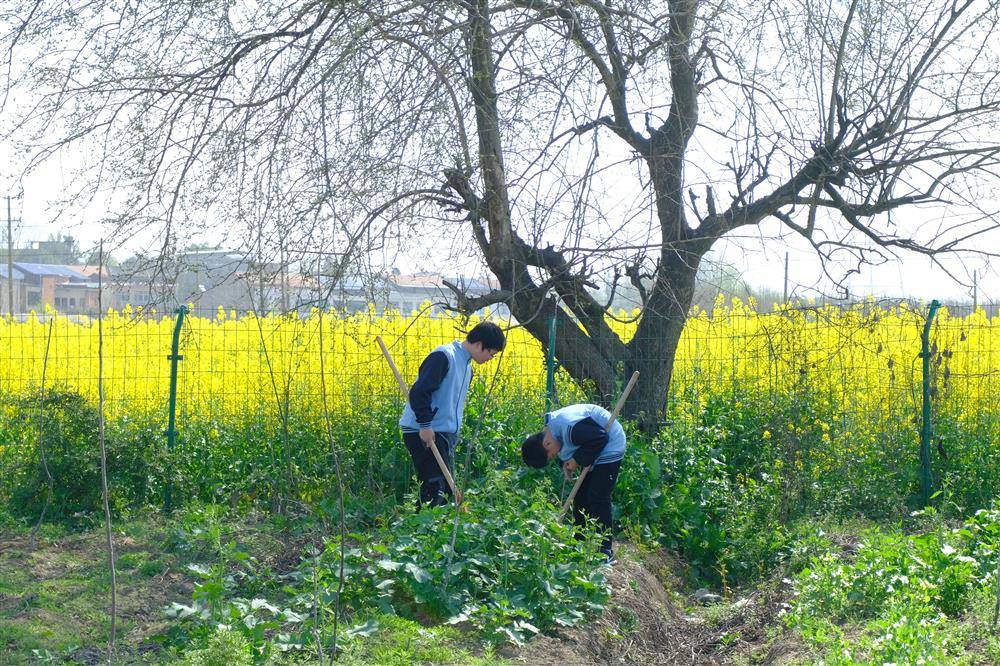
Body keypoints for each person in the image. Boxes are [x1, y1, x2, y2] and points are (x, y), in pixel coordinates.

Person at [399, 321, 505, 507]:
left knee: (445, 491)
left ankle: (430, 530)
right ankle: (422, 530)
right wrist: (425, 425)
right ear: (480, 344)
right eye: (491, 353)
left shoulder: (466, 366)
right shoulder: (444, 356)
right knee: (435, 489)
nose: (490, 358)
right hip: (423, 431)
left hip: (440, 433)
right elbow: (419, 392)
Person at [521, 403, 626, 561]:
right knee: (581, 496)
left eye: (551, 456)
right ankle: (578, 543)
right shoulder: (552, 432)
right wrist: (568, 463)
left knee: (598, 496)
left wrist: (577, 459)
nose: (555, 456)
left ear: (547, 444)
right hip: (592, 445)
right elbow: (576, 444)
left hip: (610, 444)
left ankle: (605, 550)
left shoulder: (570, 427)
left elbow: (600, 437)